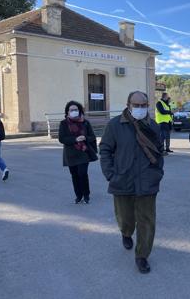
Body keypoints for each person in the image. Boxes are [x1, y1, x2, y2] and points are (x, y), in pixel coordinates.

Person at [100, 91, 164, 274]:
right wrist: (110, 174)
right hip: (122, 180)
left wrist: (157, 172)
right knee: (125, 217)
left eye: (144, 105)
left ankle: (142, 256)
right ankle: (126, 232)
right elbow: (105, 149)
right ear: (128, 105)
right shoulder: (115, 125)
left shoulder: (153, 126)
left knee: (147, 220)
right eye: (137, 105)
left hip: (148, 181)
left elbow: (159, 151)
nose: (141, 108)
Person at [58, 101, 98, 204]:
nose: (74, 112)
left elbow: (92, 137)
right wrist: (75, 139)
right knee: (74, 174)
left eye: (76, 110)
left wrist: (85, 137)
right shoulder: (63, 123)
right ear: (67, 112)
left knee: (82, 173)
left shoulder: (85, 122)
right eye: (71, 110)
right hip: (71, 154)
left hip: (84, 152)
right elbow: (62, 139)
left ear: (79, 111)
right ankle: (78, 195)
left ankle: (86, 194)